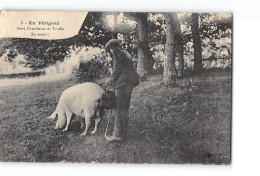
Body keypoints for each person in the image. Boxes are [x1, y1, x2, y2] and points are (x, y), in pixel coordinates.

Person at [105, 39, 139, 142]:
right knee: (125, 108)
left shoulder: (116, 52)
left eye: (109, 51)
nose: (110, 53)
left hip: (122, 83)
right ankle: (123, 133)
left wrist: (111, 79)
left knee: (119, 108)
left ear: (112, 48)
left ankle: (117, 135)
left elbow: (117, 68)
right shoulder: (125, 53)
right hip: (129, 83)